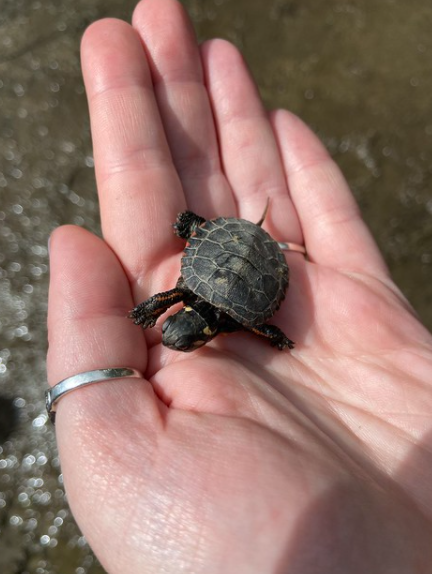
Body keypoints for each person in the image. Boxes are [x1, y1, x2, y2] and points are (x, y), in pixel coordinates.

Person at [46, 0, 432, 571]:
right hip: (242, 254)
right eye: (181, 331)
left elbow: (241, 316)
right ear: (195, 330)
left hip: (242, 253)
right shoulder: (199, 308)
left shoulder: (223, 316)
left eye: (173, 327)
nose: (177, 329)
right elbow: (201, 304)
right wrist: (171, 292)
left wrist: (264, 332)